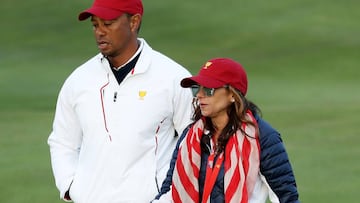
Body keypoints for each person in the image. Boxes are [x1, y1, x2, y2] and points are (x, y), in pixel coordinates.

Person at [47, 0, 193, 202]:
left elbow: (193, 146)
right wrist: (70, 187)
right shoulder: (78, 80)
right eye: (95, 25)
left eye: (108, 24)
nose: (99, 32)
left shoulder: (173, 78)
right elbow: (62, 141)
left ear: (133, 22)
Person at [153, 58, 300, 203]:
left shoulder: (263, 138)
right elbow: (170, 191)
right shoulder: (190, 135)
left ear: (232, 95)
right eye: (197, 88)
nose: (199, 95)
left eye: (209, 90)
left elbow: (286, 198)